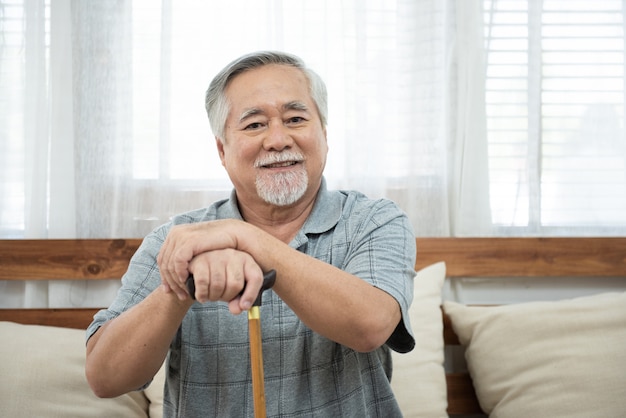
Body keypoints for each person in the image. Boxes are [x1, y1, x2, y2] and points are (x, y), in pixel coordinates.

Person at [85, 51, 416, 417]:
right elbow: (105, 378)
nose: (277, 139)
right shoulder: (176, 242)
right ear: (222, 149)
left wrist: (246, 238)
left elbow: (370, 326)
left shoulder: (375, 220)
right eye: (254, 124)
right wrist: (180, 285)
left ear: (323, 135)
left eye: (295, 118)